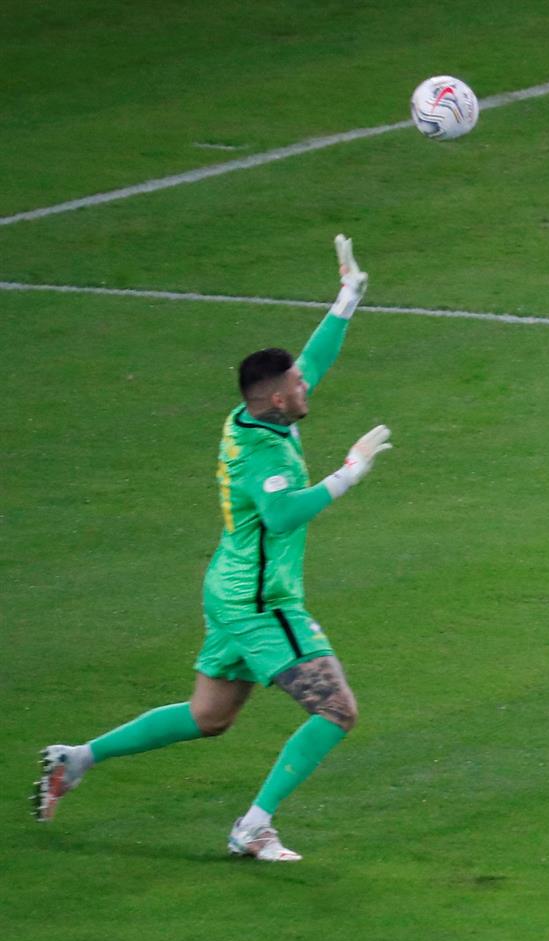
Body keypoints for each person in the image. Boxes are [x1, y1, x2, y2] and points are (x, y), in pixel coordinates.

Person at [33, 236, 394, 863]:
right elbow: (281, 516)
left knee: (210, 716)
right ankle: (254, 825)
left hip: (227, 587)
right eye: (297, 385)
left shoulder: (251, 416)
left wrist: (347, 299)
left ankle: (78, 758)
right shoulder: (263, 452)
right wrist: (351, 471)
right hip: (260, 601)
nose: (308, 384)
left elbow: (310, 362)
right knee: (336, 710)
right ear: (279, 401)